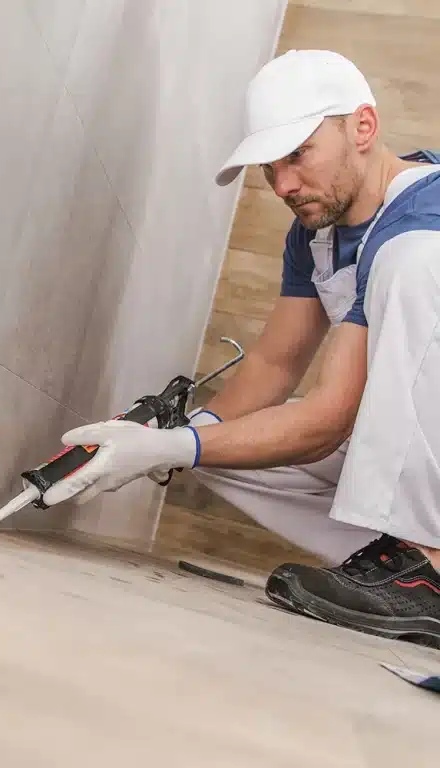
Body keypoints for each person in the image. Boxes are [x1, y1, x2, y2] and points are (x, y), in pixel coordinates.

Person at [45, 49, 440, 647]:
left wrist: (172, 443)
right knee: (218, 450)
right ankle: (394, 559)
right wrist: (164, 444)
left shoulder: (424, 215)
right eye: (270, 166)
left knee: (413, 262)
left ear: (363, 127)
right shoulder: (315, 236)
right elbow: (274, 364)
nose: (283, 184)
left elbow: (330, 418)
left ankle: (425, 567)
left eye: (298, 156)